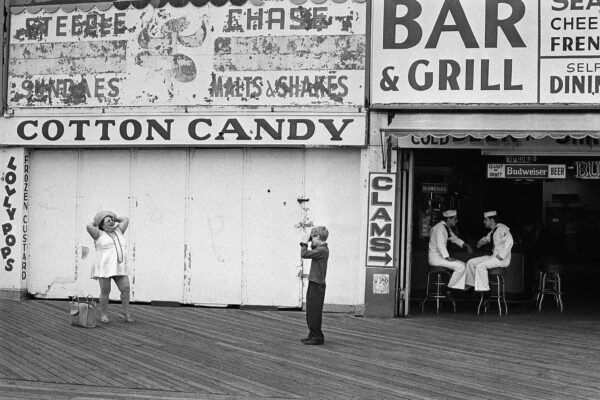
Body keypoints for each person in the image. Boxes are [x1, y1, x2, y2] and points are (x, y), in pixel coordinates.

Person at [86, 210, 132, 323]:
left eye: (112, 220)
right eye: (108, 221)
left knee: (125, 288)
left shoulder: (119, 231)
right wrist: (98, 219)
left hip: (119, 266)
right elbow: (88, 225)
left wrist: (113, 217)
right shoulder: (98, 234)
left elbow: (125, 219)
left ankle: (126, 313)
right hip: (105, 267)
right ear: (102, 224)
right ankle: (104, 314)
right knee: (105, 290)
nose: (111, 222)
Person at [465, 211, 514, 292]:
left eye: (485, 220)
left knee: (480, 266)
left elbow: (509, 241)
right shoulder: (494, 231)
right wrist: (481, 242)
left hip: (501, 259)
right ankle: (471, 285)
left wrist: (501, 256)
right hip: (494, 257)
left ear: (492, 220)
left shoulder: (502, 228)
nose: (484, 222)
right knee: (471, 262)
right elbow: (487, 238)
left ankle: (484, 291)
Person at [299, 226, 329, 345]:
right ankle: (312, 334)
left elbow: (304, 254)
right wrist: (312, 242)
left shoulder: (322, 250)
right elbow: (313, 248)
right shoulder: (321, 249)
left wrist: (304, 242)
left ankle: (318, 336)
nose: (311, 239)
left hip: (317, 285)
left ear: (317, 237)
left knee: (314, 311)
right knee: (311, 311)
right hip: (315, 283)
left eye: (313, 237)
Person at [428, 210, 473, 289]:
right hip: (436, 259)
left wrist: (466, 245)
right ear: (448, 219)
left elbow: (454, 238)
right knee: (461, 267)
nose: (457, 221)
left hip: (441, 257)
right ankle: (449, 288)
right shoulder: (439, 228)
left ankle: (458, 288)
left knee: (465, 265)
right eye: (455, 219)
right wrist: (447, 257)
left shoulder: (445, 228)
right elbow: (440, 244)